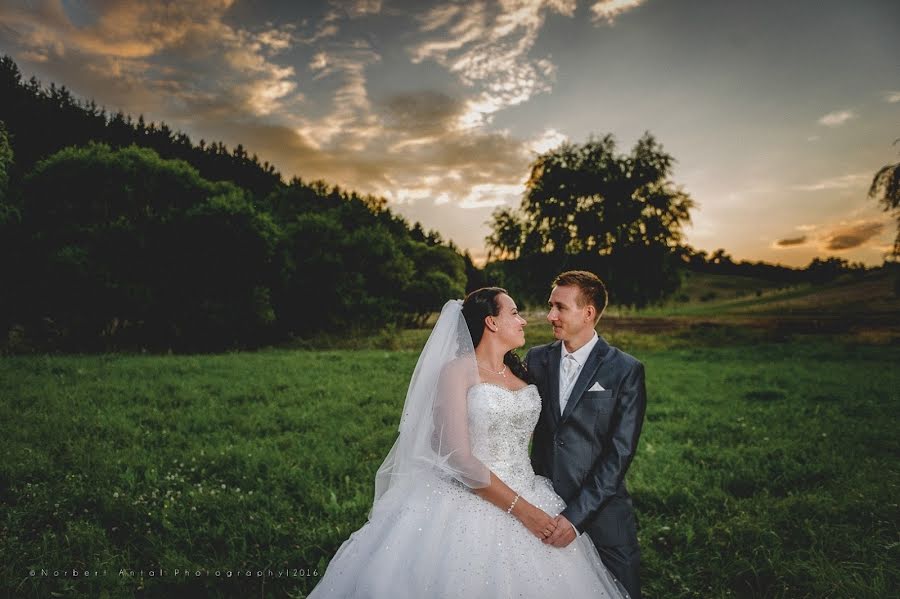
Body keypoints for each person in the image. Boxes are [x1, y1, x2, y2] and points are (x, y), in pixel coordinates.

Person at [308, 287, 629, 598]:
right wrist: (525, 512)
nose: (525, 321)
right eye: (515, 313)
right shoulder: (457, 372)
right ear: (491, 322)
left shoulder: (523, 373)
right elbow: (459, 458)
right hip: (469, 496)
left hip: (529, 484)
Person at [525, 271, 647, 599]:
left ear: (588, 313)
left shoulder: (625, 369)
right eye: (550, 306)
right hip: (542, 508)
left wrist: (575, 518)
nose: (550, 315)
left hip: (603, 513)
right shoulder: (536, 359)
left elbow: (619, 454)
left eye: (560, 308)